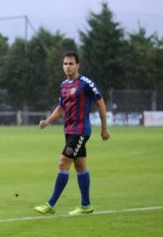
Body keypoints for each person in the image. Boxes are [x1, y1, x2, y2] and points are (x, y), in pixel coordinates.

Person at [34, 51, 110, 215]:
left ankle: (51, 204)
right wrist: (48, 121)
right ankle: (86, 205)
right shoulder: (64, 85)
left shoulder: (85, 83)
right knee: (80, 165)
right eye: (65, 64)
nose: (68, 67)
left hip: (81, 131)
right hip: (69, 131)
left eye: (71, 64)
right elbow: (61, 108)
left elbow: (101, 103)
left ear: (77, 65)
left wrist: (104, 128)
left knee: (63, 163)